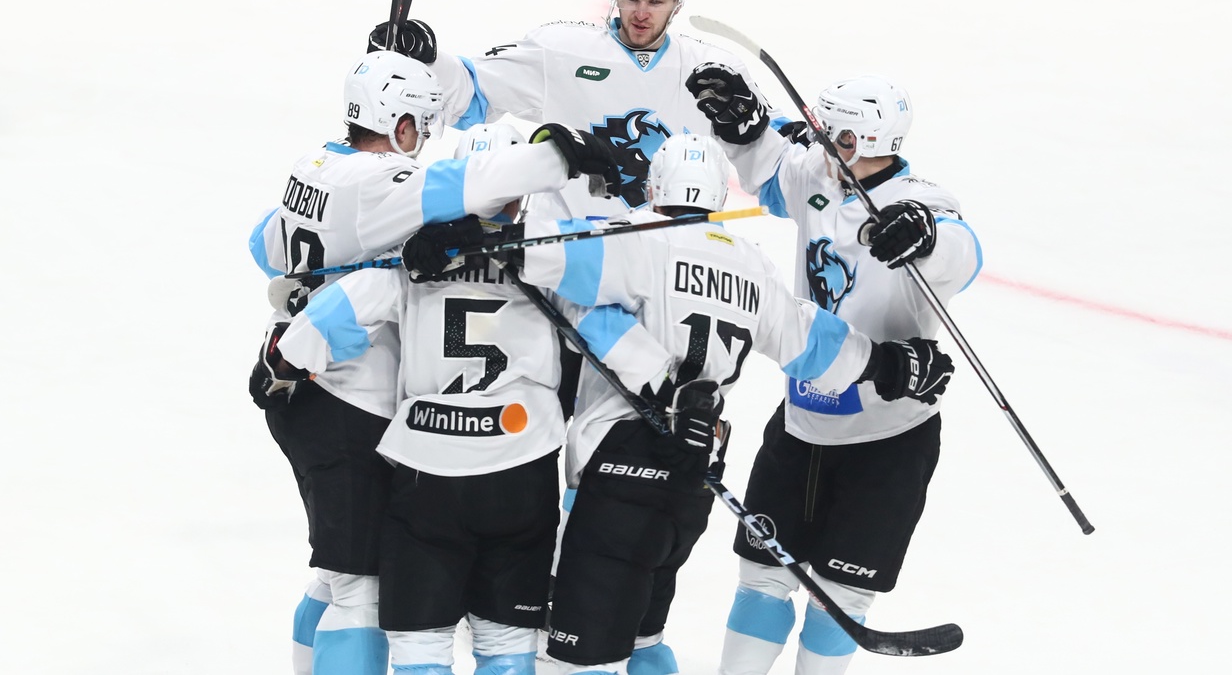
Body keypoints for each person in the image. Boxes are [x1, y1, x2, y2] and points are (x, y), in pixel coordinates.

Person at [401, 134, 956, 675]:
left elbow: (547, 258)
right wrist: (891, 366)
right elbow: (815, 344)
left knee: (581, 657)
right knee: (645, 638)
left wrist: (468, 239)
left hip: (622, 469)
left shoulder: (637, 241)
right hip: (694, 475)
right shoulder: (752, 267)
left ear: (654, 187)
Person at [247, 51, 629, 675]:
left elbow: (264, 250)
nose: (423, 141)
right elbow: (466, 188)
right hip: (356, 404)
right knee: (360, 592)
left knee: (336, 577)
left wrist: (286, 356)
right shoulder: (389, 189)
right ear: (399, 124)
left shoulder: (314, 169)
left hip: (317, 387)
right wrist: (558, 154)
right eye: (420, 127)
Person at [687, 69, 983, 675]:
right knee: (762, 577)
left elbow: (962, 249)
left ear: (863, 140)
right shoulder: (817, 175)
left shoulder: (922, 202)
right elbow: (770, 168)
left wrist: (926, 237)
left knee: (841, 597)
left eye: (834, 133)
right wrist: (742, 129)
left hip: (887, 436)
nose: (821, 141)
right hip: (801, 423)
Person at [367, 0, 781, 217]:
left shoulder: (712, 72)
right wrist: (426, 59)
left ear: (678, 1)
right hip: (566, 256)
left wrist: (769, 129)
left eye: (655, 2)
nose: (640, 13)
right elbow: (472, 94)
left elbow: (774, 159)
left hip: (666, 264)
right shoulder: (562, 51)